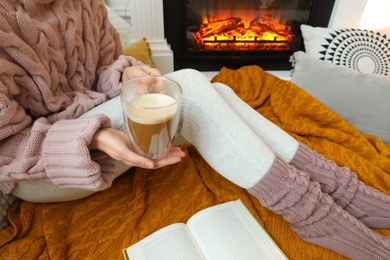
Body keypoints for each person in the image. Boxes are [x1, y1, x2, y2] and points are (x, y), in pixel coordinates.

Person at [0, 0, 389, 259]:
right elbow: (6, 147)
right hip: (41, 168)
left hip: (99, 125)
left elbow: (103, 70)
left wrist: (128, 74)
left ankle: (342, 189)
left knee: (214, 89)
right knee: (190, 86)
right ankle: (313, 212)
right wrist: (93, 135)